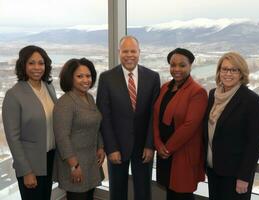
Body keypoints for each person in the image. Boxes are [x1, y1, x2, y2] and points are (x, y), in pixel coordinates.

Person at [96, 35, 160, 200]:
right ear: (119, 52)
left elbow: (155, 115)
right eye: (125, 51)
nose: (129, 55)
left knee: (143, 191)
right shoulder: (106, 78)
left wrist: (149, 145)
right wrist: (111, 148)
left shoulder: (153, 77)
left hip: (143, 147)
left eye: (133, 51)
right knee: (117, 191)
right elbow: (104, 116)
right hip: (117, 147)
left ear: (139, 52)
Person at [203, 52, 259, 200]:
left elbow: (255, 143)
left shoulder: (252, 101)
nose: (228, 73)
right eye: (224, 69)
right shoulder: (213, 94)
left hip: (235, 175)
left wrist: (244, 177)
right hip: (213, 170)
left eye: (234, 70)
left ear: (241, 73)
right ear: (219, 72)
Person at [2, 45, 57, 200]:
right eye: (31, 63)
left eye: (41, 63)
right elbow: (13, 138)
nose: (37, 67)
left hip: (50, 159)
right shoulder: (14, 95)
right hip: (30, 164)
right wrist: (26, 171)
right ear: (23, 65)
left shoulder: (49, 88)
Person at [153, 48, 208, 200]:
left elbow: (190, 126)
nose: (176, 69)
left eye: (182, 65)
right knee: (170, 192)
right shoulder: (165, 87)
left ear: (190, 66)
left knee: (182, 194)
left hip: (182, 153)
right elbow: (156, 116)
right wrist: (158, 143)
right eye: (173, 65)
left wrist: (167, 148)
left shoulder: (197, 92)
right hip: (165, 152)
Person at [53, 58, 105, 200]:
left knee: (88, 196)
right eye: (79, 76)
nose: (85, 80)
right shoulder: (65, 103)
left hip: (90, 161)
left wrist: (100, 147)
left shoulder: (89, 98)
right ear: (70, 78)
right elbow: (62, 137)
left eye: (88, 76)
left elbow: (96, 125)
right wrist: (74, 166)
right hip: (74, 163)